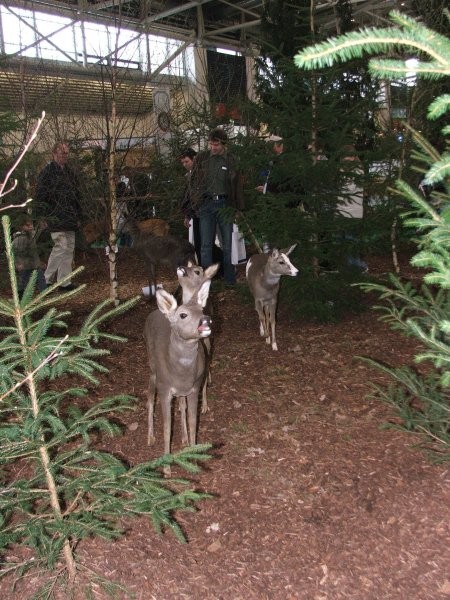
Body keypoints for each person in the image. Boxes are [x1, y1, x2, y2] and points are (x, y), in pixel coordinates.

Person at [190, 128, 243, 284]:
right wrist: (196, 203)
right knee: (205, 246)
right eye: (211, 144)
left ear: (224, 144)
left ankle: (230, 280)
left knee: (227, 245)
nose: (214, 147)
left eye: (217, 144)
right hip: (206, 205)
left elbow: (238, 186)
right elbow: (192, 182)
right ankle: (206, 283)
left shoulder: (231, 159)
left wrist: (238, 208)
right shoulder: (201, 158)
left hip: (225, 205)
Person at [35, 142, 82, 291]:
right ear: (54, 154)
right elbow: (40, 196)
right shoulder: (47, 173)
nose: (65, 156)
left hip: (70, 217)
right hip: (54, 216)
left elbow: (76, 195)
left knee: (69, 248)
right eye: (62, 153)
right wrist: (42, 217)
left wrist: (79, 215)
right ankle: (46, 280)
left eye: (67, 153)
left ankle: (64, 281)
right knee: (60, 247)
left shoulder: (70, 173)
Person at [11, 213, 47, 297]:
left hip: (34, 264)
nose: (31, 227)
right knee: (23, 283)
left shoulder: (30, 235)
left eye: (31, 225)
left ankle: (45, 295)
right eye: (28, 225)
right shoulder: (19, 239)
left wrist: (41, 228)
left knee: (41, 279)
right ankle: (20, 298)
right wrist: (18, 263)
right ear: (21, 226)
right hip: (25, 266)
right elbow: (16, 253)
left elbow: (35, 235)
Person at [179, 148, 201, 260]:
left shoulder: (202, 175)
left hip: (204, 212)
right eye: (182, 162)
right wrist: (187, 215)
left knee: (205, 244)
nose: (184, 164)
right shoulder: (188, 177)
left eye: (186, 161)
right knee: (198, 243)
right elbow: (188, 198)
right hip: (195, 213)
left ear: (194, 159)